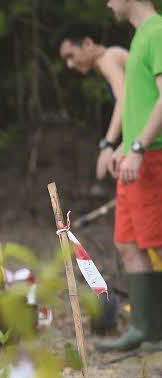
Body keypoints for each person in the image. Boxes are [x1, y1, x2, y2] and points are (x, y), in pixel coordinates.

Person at [98, 0, 162, 352]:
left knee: (157, 243)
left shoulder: (157, 33)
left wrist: (138, 147)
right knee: (127, 242)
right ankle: (144, 328)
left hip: (152, 157)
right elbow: (142, 103)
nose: (108, 3)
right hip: (135, 154)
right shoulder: (139, 37)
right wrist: (124, 144)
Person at [58, 23, 129, 182]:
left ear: (88, 44)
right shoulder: (106, 62)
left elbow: (124, 100)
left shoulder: (108, 58)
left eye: (70, 56)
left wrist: (108, 145)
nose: (69, 64)